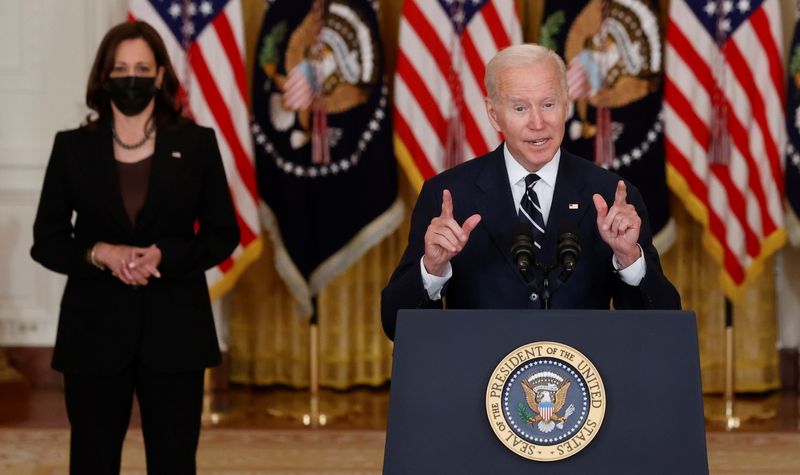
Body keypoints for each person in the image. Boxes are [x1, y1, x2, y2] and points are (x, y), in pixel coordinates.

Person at [30, 21, 239, 473]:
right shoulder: (72, 148)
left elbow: (224, 235)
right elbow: (46, 241)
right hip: (93, 331)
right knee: (92, 460)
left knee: (173, 462)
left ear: (161, 75)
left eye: (142, 67)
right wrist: (97, 253)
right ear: (103, 76)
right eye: (121, 68)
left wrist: (167, 253)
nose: (132, 77)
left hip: (176, 331)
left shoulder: (197, 144)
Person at [381, 44, 680, 340]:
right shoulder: (449, 197)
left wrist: (629, 258)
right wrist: (432, 268)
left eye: (548, 104)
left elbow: (663, 327)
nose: (538, 123)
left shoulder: (611, 197)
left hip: (582, 381)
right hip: (482, 382)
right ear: (494, 114)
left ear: (566, 104)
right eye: (520, 108)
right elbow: (395, 324)